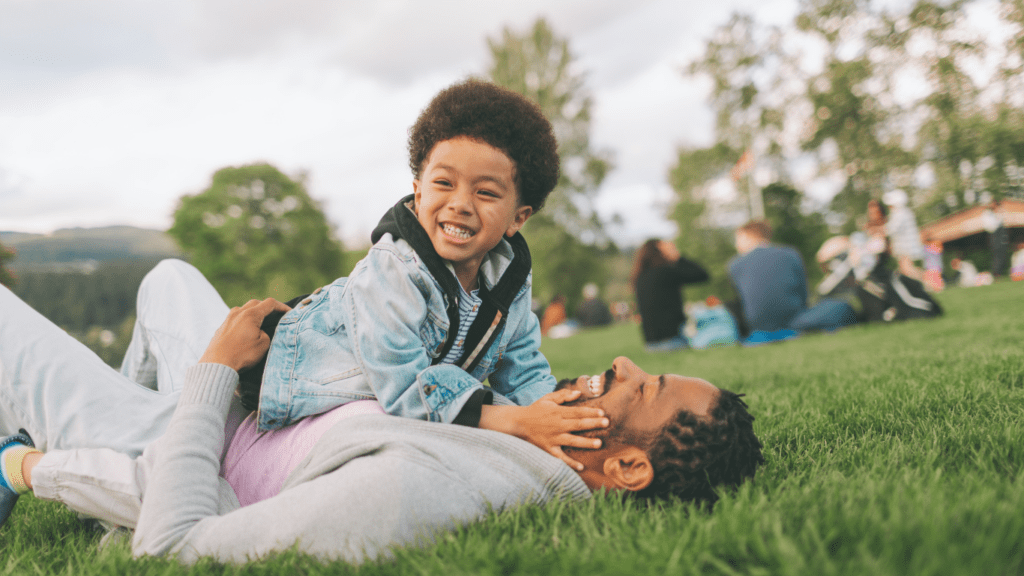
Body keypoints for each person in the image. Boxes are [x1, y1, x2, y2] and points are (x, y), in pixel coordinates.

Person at [0, 282, 765, 564]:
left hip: (187, 449)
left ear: (627, 469)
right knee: (167, 280)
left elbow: (172, 546)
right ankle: (94, 418)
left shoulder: (419, 490)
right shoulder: (516, 435)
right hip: (245, 403)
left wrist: (211, 372)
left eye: (645, 387)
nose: (625, 364)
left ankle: (66, 445)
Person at [227, 79, 602, 470]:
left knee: (493, 419)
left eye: (486, 193)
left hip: (395, 396)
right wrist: (518, 421)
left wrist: (556, 417)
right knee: (419, 438)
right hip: (294, 378)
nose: (460, 204)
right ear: (419, 193)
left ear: (518, 218)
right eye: (443, 183)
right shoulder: (393, 268)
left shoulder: (508, 277)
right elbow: (405, 388)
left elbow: (522, 365)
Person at [729, 220, 857, 345]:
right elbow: (803, 294)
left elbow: (743, 302)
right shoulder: (790, 254)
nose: (736, 245)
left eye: (738, 239)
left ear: (749, 235)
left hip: (759, 329)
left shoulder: (734, 265)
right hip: (795, 321)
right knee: (841, 307)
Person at [631, 239, 709, 352]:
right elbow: (702, 275)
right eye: (668, 247)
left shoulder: (640, 278)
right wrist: (678, 257)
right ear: (659, 250)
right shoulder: (666, 272)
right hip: (673, 341)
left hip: (650, 345)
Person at [882, 189, 924, 280]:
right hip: (904, 247)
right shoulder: (903, 212)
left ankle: (928, 282)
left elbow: (892, 228)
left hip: (906, 247)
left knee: (907, 269)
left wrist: (878, 230)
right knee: (904, 269)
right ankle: (923, 284)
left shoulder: (900, 213)